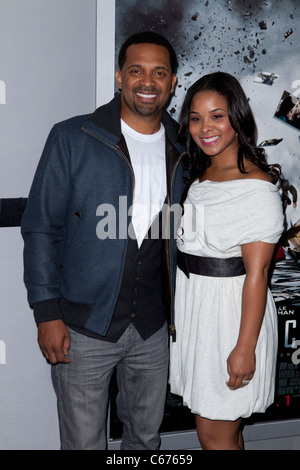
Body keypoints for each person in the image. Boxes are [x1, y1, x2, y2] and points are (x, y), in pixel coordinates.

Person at [21, 31, 186, 450]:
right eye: (136, 70)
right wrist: (46, 313)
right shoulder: (73, 138)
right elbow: (40, 227)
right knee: (83, 445)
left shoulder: (184, 148)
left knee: (145, 442)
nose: (147, 81)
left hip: (153, 330)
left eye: (159, 72)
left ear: (171, 84)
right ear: (118, 77)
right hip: (83, 328)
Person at [169, 72, 285, 450]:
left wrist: (244, 347)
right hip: (199, 311)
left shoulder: (257, 188)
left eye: (217, 116)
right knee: (225, 433)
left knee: (213, 433)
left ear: (237, 117)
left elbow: (259, 274)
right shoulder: (202, 172)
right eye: (197, 117)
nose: (206, 128)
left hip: (230, 318)